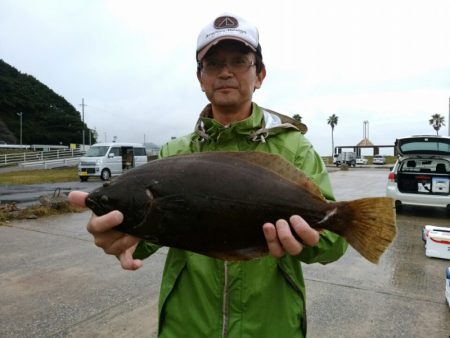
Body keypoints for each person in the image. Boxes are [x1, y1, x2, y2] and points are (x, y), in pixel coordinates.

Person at [69, 13, 348, 338]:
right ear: (200, 78)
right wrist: (119, 240)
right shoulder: (175, 153)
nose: (226, 72)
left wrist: (309, 241)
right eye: (213, 63)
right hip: (186, 326)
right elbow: (148, 238)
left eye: (239, 61)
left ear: (259, 74)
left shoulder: (295, 148)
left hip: (273, 326)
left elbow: (334, 242)